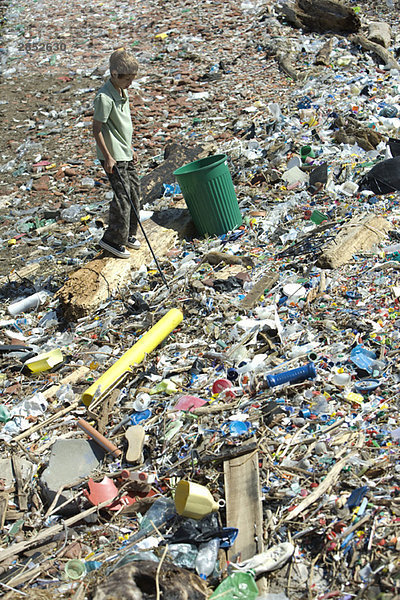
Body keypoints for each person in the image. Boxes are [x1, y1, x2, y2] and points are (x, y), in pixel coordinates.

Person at [93, 48, 141, 259]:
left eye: (132, 79)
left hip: (124, 152)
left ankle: (128, 234)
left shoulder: (123, 92)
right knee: (122, 198)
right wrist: (108, 156)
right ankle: (111, 239)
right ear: (114, 74)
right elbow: (97, 129)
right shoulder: (104, 98)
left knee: (134, 194)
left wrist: (130, 148)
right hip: (113, 156)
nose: (130, 84)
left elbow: (122, 126)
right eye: (127, 80)